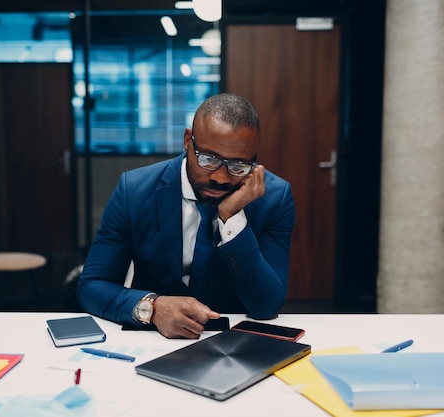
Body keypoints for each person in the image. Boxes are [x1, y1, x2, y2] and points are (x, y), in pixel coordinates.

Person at [77, 93, 295, 339]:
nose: (221, 178)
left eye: (238, 165)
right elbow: (91, 286)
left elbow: (266, 305)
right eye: (209, 159)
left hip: (234, 340)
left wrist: (231, 219)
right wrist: (153, 307)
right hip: (152, 336)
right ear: (187, 141)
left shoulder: (274, 198)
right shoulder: (135, 190)